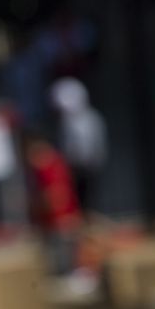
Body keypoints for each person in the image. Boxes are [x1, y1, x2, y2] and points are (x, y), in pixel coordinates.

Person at [49, 77, 107, 210]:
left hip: (87, 163)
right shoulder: (66, 121)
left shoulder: (89, 118)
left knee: (88, 192)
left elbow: (91, 144)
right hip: (73, 164)